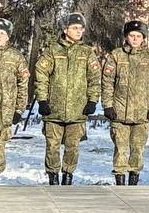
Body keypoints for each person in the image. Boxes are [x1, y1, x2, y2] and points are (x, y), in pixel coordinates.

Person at [34, 12, 100, 185]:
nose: (79, 31)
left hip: (77, 110)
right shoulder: (52, 51)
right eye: (75, 28)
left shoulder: (86, 52)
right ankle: (53, 177)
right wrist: (42, 100)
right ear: (65, 30)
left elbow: (94, 78)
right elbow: (41, 75)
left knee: (73, 147)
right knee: (52, 147)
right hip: (54, 110)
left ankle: (68, 177)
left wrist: (92, 101)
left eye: (81, 28)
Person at [102, 20, 149, 186]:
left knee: (137, 150)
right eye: (131, 35)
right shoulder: (116, 55)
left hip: (141, 114)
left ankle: (134, 181)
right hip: (119, 113)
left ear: (143, 38)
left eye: (138, 36)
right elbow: (107, 81)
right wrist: (107, 105)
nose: (135, 39)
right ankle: (120, 182)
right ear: (126, 37)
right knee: (120, 150)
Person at [0, 17, 28, 187]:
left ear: (8, 36)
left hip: (5, 113)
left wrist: (19, 109)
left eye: (2, 33)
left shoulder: (16, 57)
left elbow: (23, 85)